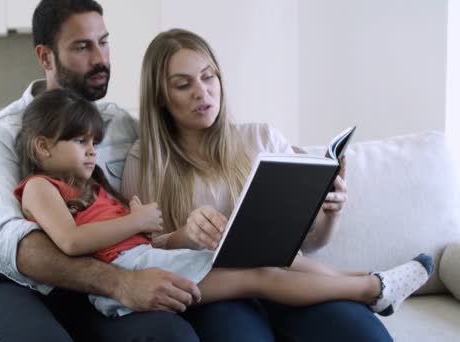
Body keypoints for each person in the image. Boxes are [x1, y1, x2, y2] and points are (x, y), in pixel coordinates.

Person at [14, 87, 433, 320]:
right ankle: (370, 289)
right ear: (42, 145)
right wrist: (135, 220)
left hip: (148, 260)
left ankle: (363, 277)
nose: (92, 152)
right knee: (259, 275)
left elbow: (133, 239)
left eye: (94, 142)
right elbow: (70, 241)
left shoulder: (93, 187)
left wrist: (141, 225)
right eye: (79, 142)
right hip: (133, 277)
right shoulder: (39, 187)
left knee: (269, 255)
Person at [121, 28, 422, 341]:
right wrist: (187, 234)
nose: (201, 91)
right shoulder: (144, 160)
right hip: (220, 297)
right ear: (160, 97)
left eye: (208, 77)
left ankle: (369, 287)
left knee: (365, 335)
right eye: (183, 84)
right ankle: (367, 283)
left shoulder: (262, 138)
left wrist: (331, 210)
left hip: (294, 281)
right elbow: (138, 256)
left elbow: (310, 243)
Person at [0, 1, 207, 341]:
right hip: (12, 283)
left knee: (171, 335)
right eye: (82, 46)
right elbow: (10, 242)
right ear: (45, 56)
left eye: (103, 42)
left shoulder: (120, 125)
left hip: (96, 290)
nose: (100, 58)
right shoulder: (3, 133)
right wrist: (120, 283)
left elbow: (186, 144)